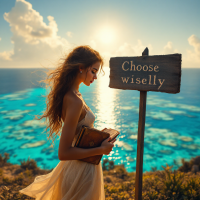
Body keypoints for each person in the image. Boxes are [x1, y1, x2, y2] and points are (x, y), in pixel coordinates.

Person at [19, 45, 116, 200]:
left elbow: (79, 133)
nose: (95, 77)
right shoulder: (75, 100)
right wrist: (100, 150)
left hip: (79, 169)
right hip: (80, 173)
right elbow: (63, 153)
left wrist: (98, 137)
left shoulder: (73, 94)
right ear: (81, 68)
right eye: (94, 71)